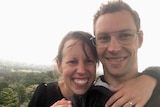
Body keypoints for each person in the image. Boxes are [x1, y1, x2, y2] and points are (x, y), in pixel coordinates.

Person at [82, 0, 160, 107]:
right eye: (104, 38)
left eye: (125, 35)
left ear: (140, 39)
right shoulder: (82, 100)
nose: (114, 48)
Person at [28, 31, 99, 107]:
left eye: (88, 61)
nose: (81, 70)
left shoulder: (101, 98)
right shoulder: (43, 95)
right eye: (72, 62)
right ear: (59, 65)